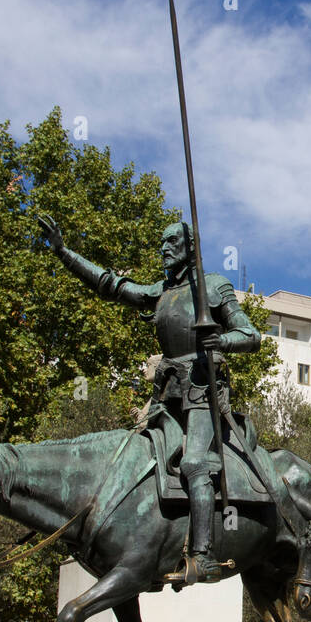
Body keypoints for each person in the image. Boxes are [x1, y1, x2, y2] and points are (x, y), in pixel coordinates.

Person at [35, 216, 261, 582]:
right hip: (166, 394)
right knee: (128, 459)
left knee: (195, 464)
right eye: (162, 242)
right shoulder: (161, 292)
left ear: (190, 248)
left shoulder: (214, 287)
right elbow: (112, 286)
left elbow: (251, 335)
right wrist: (63, 252)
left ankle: (202, 556)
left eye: (172, 242)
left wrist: (220, 342)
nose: (163, 248)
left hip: (202, 393)